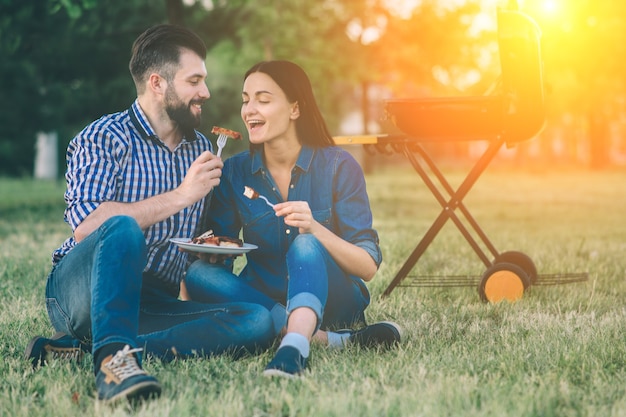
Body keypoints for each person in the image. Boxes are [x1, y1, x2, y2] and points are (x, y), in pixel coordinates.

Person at [23, 24, 275, 402]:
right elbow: (87, 227)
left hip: (153, 298)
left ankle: (84, 353)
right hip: (81, 293)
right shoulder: (104, 137)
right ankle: (113, 364)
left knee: (256, 320)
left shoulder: (201, 148)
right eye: (194, 80)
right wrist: (180, 195)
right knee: (122, 227)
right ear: (157, 83)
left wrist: (207, 248)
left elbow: (197, 235)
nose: (205, 92)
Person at [184, 60, 401, 378]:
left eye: (263, 99)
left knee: (305, 244)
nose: (249, 110)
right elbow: (221, 258)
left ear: (295, 109)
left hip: (334, 300)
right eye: (246, 99)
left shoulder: (339, 167)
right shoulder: (234, 171)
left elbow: (367, 266)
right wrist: (205, 241)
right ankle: (329, 340)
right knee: (198, 274)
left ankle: (293, 348)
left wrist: (315, 229)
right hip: (264, 299)